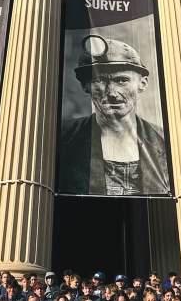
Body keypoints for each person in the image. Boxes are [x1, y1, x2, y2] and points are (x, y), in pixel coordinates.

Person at [58, 35, 170, 196]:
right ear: (85, 86)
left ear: (142, 83)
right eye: (100, 80)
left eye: (122, 80)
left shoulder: (165, 141)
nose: (112, 93)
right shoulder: (62, 137)